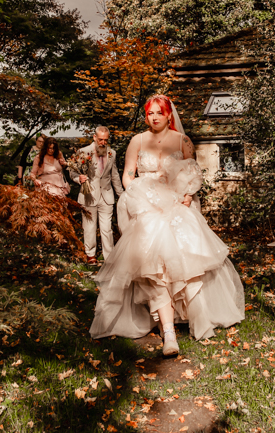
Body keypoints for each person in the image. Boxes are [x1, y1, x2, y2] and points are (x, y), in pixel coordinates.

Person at [89, 95, 245, 356]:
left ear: (169, 115)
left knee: (182, 263)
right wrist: (142, 198)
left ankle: (187, 316)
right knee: (154, 267)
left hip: (176, 205)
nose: (155, 117)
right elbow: (128, 176)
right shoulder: (137, 141)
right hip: (145, 207)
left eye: (160, 112)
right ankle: (168, 332)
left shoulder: (182, 141)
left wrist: (185, 196)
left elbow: (193, 173)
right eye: (151, 113)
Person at [69, 126, 124, 265]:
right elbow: (72, 172)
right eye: (100, 139)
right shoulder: (83, 152)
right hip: (88, 195)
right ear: (94, 137)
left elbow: (114, 176)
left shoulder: (112, 153)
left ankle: (109, 257)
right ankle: (91, 255)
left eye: (106, 140)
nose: (103, 143)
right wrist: (78, 178)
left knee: (107, 228)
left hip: (107, 196)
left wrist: (122, 195)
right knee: (89, 227)